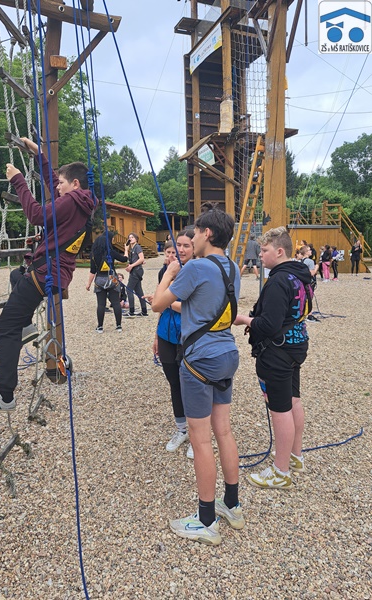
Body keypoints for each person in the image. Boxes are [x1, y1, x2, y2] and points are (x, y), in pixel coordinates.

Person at [0, 137, 94, 413]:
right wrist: (39, 153)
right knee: (16, 276)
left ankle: (6, 395)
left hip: (45, 274)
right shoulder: (81, 202)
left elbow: (35, 215)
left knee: (5, 328)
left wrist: (18, 179)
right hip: (51, 274)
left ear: (74, 184)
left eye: (62, 184)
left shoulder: (70, 202)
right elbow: (52, 180)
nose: (57, 187)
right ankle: (27, 326)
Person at [152, 208, 244, 546]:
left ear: (207, 234)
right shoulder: (232, 268)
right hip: (226, 353)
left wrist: (169, 273)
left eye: (196, 232)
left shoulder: (195, 267)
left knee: (201, 440)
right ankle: (232, 504)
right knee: (224, 431)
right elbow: (207, 306)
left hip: (199, 360)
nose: (192, 238)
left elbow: (158, 304)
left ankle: (206, 519)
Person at [234, 226, 312, 489]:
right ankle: (295, 457)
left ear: (279, 252)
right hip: (296, 346)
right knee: (293, 400)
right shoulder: (300, 275)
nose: (261, 255)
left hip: (277, 351)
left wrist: (244, 319)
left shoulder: (279, 280)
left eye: (264, 250)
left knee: (280, 410)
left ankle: (281, 472)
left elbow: (269, 324)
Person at [153, 232, 195, 460]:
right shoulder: (166, 271)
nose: (180, 250)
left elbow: (191, 307)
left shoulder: (196, 271)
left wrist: (166, 303)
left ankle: (198, 434)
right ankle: (181, 429)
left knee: (192, 386)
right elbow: (159, 307)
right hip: (166, 333)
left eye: (186, 245)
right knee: (174, 383)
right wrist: (156, 336)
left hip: (187, 335)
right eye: (177, 245)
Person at [86, 232, 127, 333]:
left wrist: (89, 283)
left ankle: (100, 327)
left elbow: (92, 271)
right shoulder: (111, 252)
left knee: (101, 304)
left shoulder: (93, 255)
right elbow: (124, 259)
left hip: (100, 279)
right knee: (116, 302)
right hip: (112, 278)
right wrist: (126, 250)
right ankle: (118, 326)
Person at [124, 232, 148, 317]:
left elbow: (141, 258)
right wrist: (126, 250)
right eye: (129, 237)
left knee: (129, 289)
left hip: (136, 271)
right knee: (138, 291)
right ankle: (144, 311)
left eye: (132, 237)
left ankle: (131, 311)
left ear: (136, 239)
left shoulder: (137, 247)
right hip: (135, 270)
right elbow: (127, 259)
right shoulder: (132, 249)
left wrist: (132, 266)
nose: (130, 239)